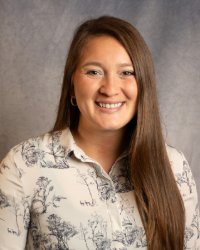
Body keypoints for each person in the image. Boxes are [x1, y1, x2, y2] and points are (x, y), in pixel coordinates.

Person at [0, 16, 199, 250]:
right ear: (72, 84)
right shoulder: (24, 164)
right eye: (94, 72)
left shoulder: (174, 166)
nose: (110, 89)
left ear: (144, 84)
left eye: (126, 72)